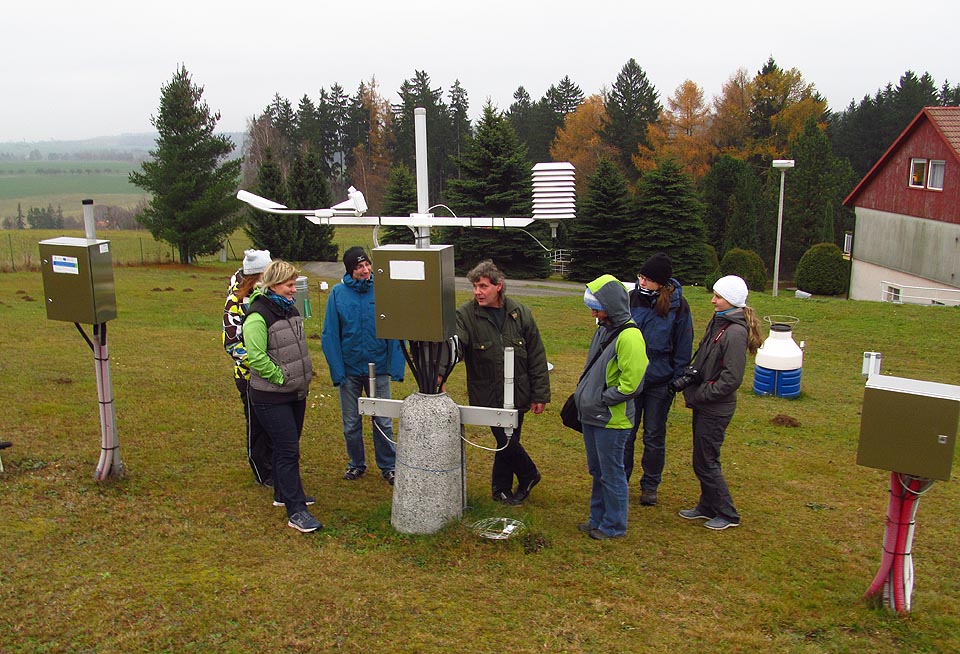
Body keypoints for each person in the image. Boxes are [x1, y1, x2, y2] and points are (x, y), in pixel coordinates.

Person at [455, 260, 550, 505]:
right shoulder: (466, 315)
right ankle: (529, 474)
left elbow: (537, 355)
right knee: (505, 439)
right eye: (475, 286)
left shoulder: (520, 313)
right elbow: (456, 346)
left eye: (483, 286)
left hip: (518, 392)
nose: (478, 292)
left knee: (509, 441)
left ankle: (501, 490)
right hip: (487, 394)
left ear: (499, 286)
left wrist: (540, 395)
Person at [679, 275, 763, 531]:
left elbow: (731, 378)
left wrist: (700, 393)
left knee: (707, 461)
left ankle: (727, 513)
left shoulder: (734, 332)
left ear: (732, 301)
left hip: (715, 407)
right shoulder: (719, 323)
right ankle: (707, 505)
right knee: (702, 458)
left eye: (719, 296)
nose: (713, 300)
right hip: (706, 404)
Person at [245, 260, 321, 533]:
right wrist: (282, 377)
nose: (293, 289)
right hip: (271, 396)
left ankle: (282, 492)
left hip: (295, 393)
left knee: (285, 446)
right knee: (288, 449)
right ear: (274, 285)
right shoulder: (257, 316)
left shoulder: (291, 308)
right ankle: (296, 510)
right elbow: (256, 357)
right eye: (289, 284)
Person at [321, 246, 405, 485]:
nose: (365, 270)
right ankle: (356, 464)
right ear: (350, 270)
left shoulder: (383, 292)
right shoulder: (338, 294)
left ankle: (388, 466)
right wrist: (338, 372)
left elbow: (396, 331)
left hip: (378, 369)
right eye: (359, 267)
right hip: (350, 371)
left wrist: (394, 368)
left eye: (367, 264)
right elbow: (330, 335)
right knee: (351, 423)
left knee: (383, 421)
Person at [574, 275, 648, 540]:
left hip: (611, 420)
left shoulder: (630, 338)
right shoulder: (603, 329)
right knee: (598, 472)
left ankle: (614, 526)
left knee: (612, 473)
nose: (593, 312)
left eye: (597, 306)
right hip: (594, 416)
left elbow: (632, 384)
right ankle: (597, 520)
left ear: (612, 305)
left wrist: (603, 398)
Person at [624, 253, 693, 506]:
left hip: (660, 382)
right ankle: (621, 481)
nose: (641, 281)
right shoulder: (631, 299)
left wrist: (677, 379)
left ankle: (650, 485)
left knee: (653, 435)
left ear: (660, 283)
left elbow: (683, 345)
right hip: (632, 379)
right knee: (626, 433)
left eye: (647, 279)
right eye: (640, 276)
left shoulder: (679, 306)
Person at [222, 249, 274, 487]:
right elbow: (232, 343)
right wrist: (259, 364)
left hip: (272, 375)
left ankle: (275, 465)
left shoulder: (269, 297)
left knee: (274, 423)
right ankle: (261, 470)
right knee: (257, 423)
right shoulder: (235, 302)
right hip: (249, 377)